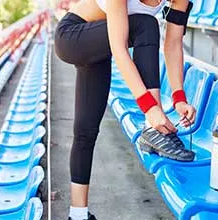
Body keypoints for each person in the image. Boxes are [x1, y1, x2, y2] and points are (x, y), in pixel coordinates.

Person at [54, 0, 196, 219]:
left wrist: (179, 98)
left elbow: (174, 43)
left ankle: (78, 214)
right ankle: (151, 129)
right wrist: (150, 108)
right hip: (73, 36)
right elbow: (119, 50)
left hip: (102, 43)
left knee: (86, 130)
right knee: (147, 24)